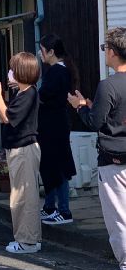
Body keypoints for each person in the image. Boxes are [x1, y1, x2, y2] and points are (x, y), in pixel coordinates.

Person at [68, 28, 126, 270]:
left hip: (114, 161)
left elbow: (95, 122)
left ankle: (125, 269)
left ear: (113, 52)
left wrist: (80, 106)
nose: (105, 53)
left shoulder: (108, 85)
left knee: (119, 217)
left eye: (105, 49)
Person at [0, 52, 42, 254]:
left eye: (13, 69)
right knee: (19, 196)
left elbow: (7, 118)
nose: (10, 73)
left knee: (25, 197)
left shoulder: (29, 93)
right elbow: (4, 117)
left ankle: (28, 240)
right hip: (18, 149)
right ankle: (27, 239)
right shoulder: (22, 93)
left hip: (24, 150)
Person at [38, 34, 77, 225]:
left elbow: (44, 95)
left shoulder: (56, 72)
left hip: (54, 125)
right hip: (55, 123)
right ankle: (50, 206)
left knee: (57, 166)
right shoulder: (61, 70)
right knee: (50, 165)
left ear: (51, 52)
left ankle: (63, 209)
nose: (40, 53)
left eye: (42, 50)